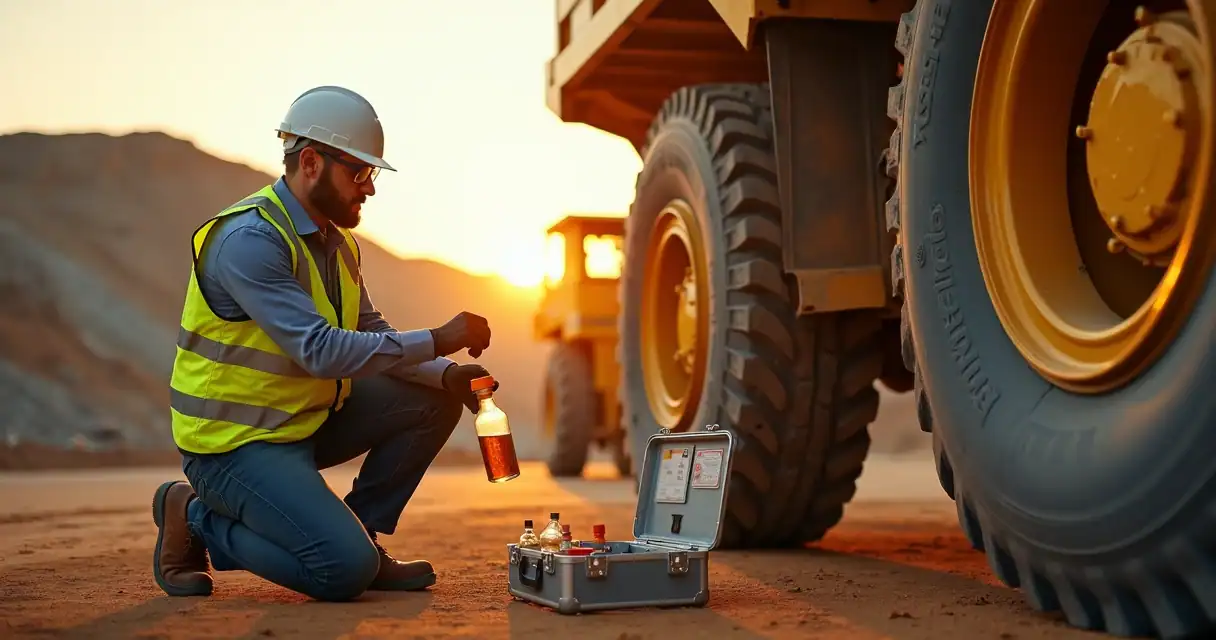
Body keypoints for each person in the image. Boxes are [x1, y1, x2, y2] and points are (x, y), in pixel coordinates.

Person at [151, 85, 496, 602]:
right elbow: (321, 351)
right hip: (233, 446)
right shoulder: (250, 241)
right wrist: (439, 338)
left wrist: (446, 371)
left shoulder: (337, 244)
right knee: (341, 572)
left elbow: (371, 332)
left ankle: (361, 534)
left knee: (435, 398)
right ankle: (195, 515)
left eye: (372, 174)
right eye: (359, 173)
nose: (370, 188)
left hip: (301, 422)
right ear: (311, 162)